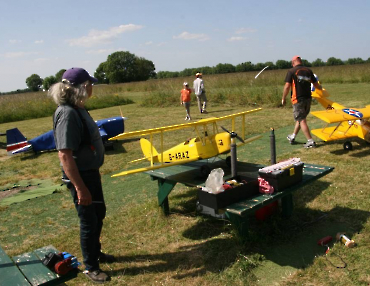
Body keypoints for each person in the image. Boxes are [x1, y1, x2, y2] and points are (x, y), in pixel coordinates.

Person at [49, 67, 114, 283]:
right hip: (82, 178)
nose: (92, 88)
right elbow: (65, 155)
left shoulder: (78, 108)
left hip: (90, 174)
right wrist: (79, 187)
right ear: (83, 87)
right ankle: (91, 267)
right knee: (89, 221)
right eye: (91, 84)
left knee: (98, 214)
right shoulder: (67, 113)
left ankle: (96, 254)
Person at [282, 56, 322, 148]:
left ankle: (310, 141)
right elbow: (316, 84)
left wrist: (283, 97)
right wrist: (321, 89)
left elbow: (287, 86)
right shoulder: (308, 70)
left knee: (301, 120)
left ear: (293, 63)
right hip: (308, 98)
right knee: (301, 118)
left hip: (298, 99)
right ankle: (293, 136)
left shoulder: (291, 71)